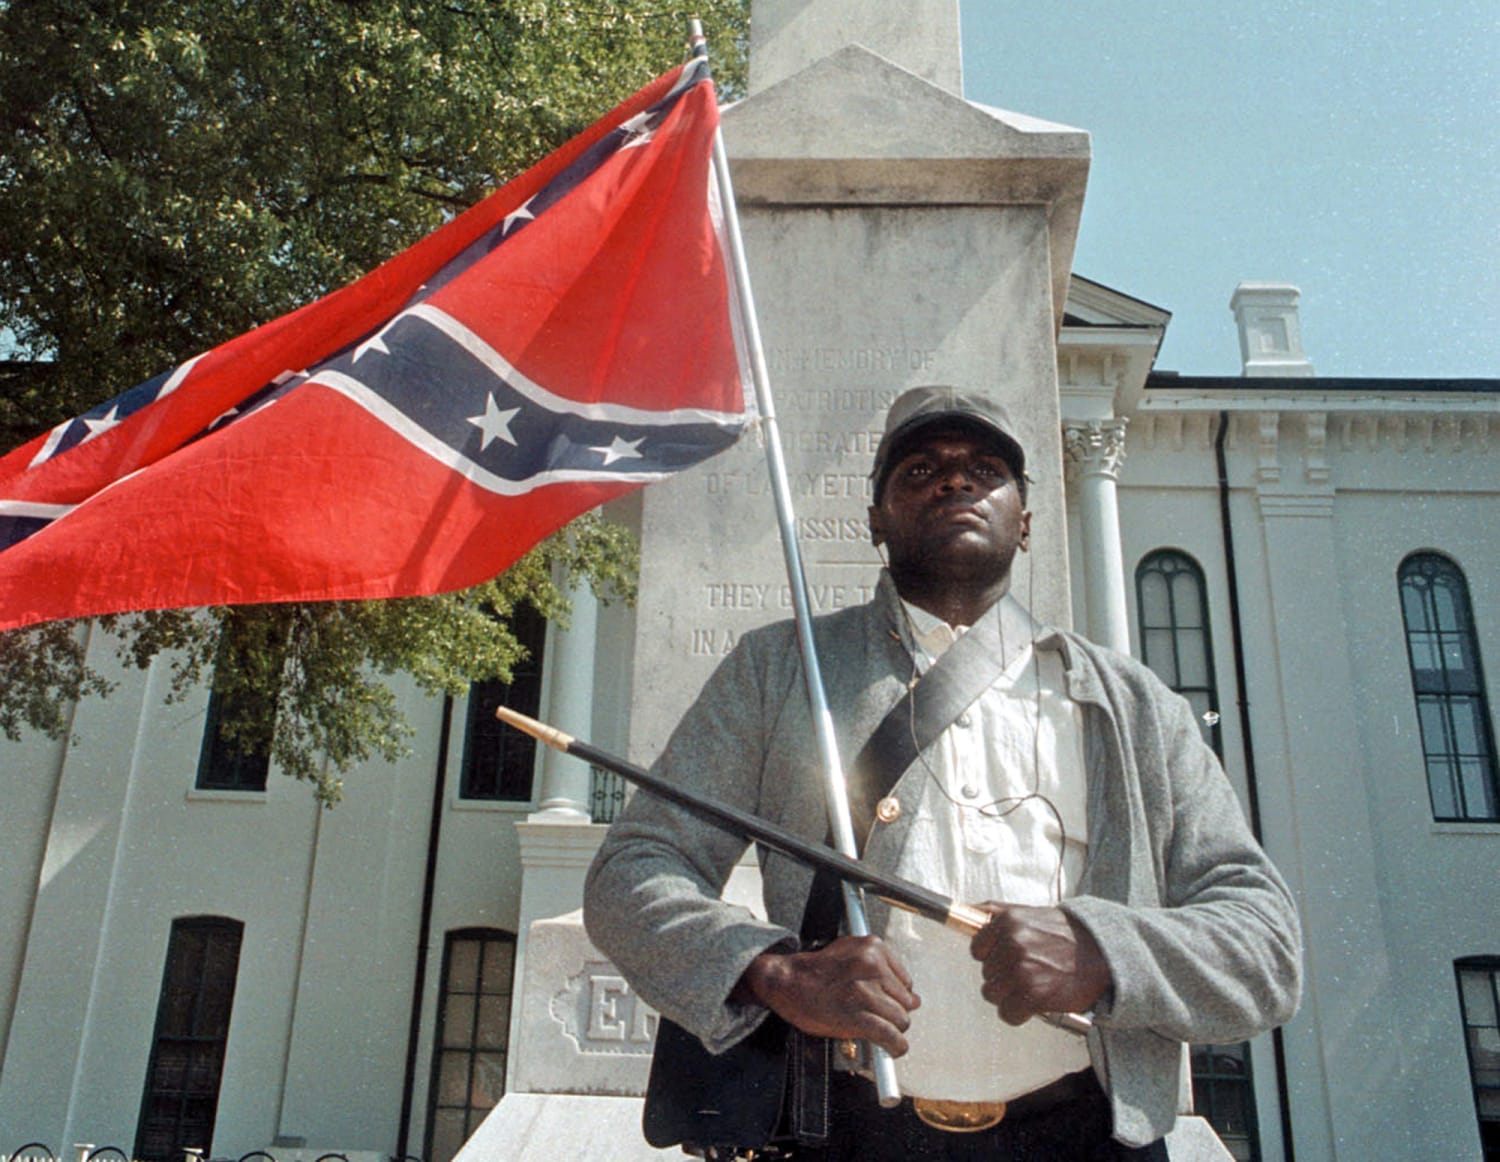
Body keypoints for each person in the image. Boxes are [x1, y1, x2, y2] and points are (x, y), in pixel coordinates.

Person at [585, 385, 1302, 1159]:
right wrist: (773, 972)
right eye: (920, 468)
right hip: (849, 1135)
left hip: (1090, 1137)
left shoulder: (1132, 705)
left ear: (1026, 520)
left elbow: (1265, 947)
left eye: (986, 469)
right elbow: (632, 871)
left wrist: (1102, 952)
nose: (955, 481)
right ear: (875, 520)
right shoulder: (778, 670)